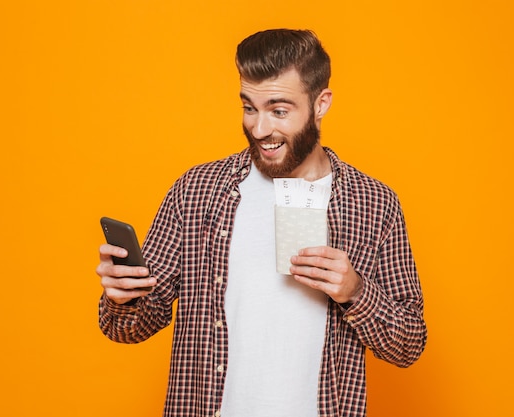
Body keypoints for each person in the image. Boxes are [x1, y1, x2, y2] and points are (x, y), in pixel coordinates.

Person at [97, 29, 426, 417]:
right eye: (249, 107)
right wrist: (123, 297)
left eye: (279, 110)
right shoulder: (197, 192)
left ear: (321, 104)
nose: (260, 129)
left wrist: (356, 292)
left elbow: (409, 344)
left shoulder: (373, 204)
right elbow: (130, 328)